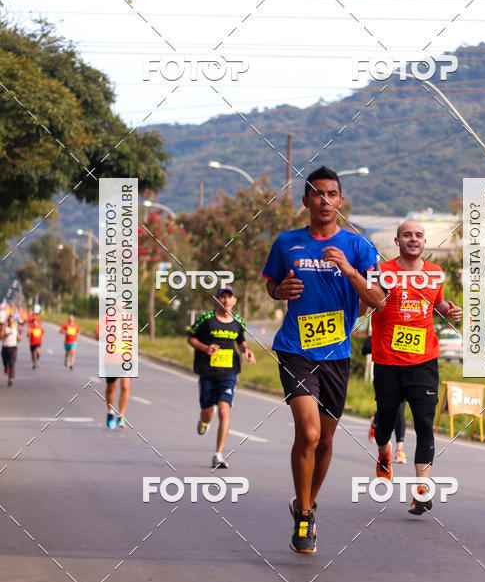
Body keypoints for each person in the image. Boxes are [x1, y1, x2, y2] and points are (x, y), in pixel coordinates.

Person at [262, 166, 385, 554]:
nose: (324, 200)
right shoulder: (287, 242)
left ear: (341, 201)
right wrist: (279, 290)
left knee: (326, 440)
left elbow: (378, 299)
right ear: (306, 201)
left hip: (337, 354)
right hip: (295, 349)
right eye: (317, 193)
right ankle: (303, 517)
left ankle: (306, 503)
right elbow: (271, 284)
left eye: (332, 194)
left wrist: (349, 271)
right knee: (310, 433)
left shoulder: (359, 247)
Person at [370, 219, 462, 515]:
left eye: (419, 235)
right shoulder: (382, 272)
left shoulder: (434, 273)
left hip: (424, 361)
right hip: (387, 361)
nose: (413, 239)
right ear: (397, 241)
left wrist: (449, 310)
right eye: (407, 235)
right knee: (385, 422)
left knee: (424, 423)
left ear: (424, 242)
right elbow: (368, 303)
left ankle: (422, 489)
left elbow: (436, 304)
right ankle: (384, 452)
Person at [186, 287, 255, 469]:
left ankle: (218, 455)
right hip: (207, 371)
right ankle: (204, 421)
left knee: (224, 410)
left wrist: (246, 350)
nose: (225, 300)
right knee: (207, 412)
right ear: (217, 300)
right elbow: (190, 338)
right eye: (222, 297)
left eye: (229, 297)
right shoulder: (206, 319)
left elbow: (241, 341)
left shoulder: (239, 321)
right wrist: (205, 348)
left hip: (229, 372)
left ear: (235, 300)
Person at [0, 313, 20, 386]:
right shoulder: (4, 327)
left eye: (12, 321)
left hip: (13, 347)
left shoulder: (16, 327)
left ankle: (11, 378)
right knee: (5, 362)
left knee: (12, 363)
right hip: (5, 347)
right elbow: (1, 337)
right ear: (8, 321)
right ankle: (6, 367)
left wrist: (19, 338)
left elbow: (18, 336)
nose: (11, 322)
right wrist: (6, 334)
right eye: (10, 321)